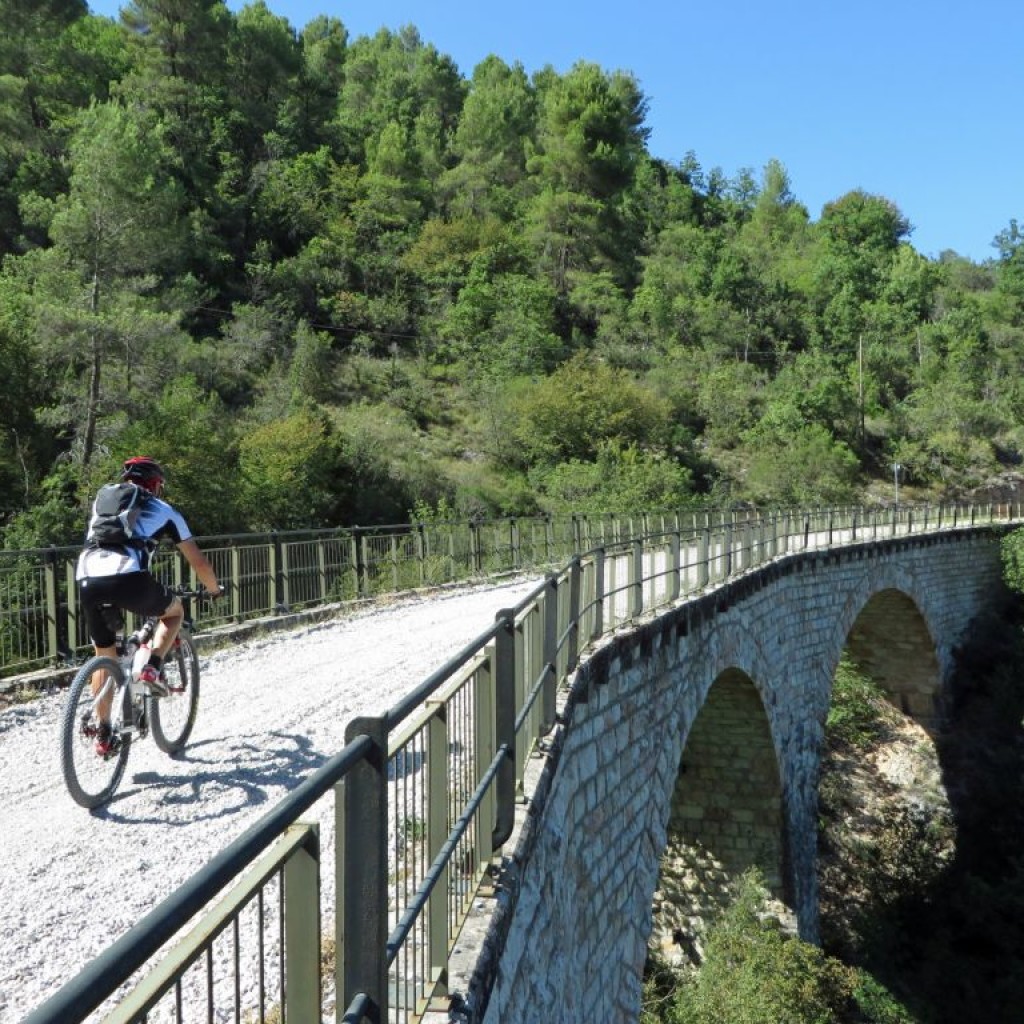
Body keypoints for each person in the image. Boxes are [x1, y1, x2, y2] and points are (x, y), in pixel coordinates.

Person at [76, 456, 224, 754]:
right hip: (128, 576)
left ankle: (104, 735)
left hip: (87, 576)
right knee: (174, 611)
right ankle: (151, 669)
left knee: (104, 654)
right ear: (156, 485)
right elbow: (198, 561)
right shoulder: (165, 510)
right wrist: (214, 588)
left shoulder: (102, 501)